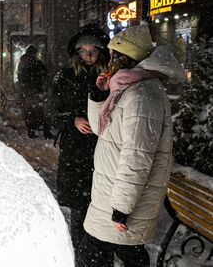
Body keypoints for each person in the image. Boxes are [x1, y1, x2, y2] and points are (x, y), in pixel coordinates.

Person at [77, 25, 185, 267]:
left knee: (93, 255)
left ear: (127, 58)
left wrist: (121, 208)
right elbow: (99, 129)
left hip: (122, 201)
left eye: (114, 55)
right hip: (112, 194)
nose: (109, 60)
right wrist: (97, 94)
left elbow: (137, 157)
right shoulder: (126, 88)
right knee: (125, 255)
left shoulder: (142, 96)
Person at [50, 24, 110, 261]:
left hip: (103, 150)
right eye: (84, 51)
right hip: (75, 152)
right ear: (77, 53)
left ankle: (100, 258)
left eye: (93, 50)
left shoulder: (109, 77)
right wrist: (72, 120)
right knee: (80, 209)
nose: (89, 55)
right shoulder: (64, 77)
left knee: (102, 208)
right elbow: (52, 111)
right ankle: (81, 258)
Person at [17, 45, 52, 138]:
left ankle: (31, 131)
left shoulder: (22, 62)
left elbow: (20, 76)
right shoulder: (37, 62)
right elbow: (45, 73)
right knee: (41, 111)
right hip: (36, 90)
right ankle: (46, 132)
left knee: (28, 112)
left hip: (26, 91)